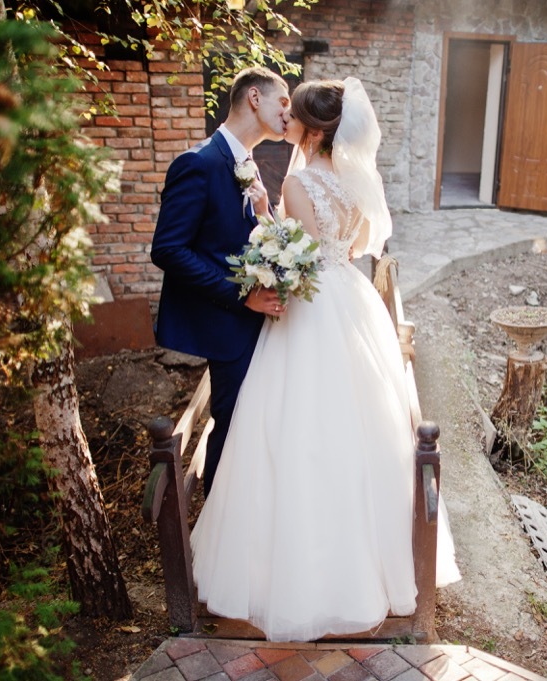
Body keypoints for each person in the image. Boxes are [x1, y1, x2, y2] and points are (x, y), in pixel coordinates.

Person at [189, 78, 460, 642]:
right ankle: (373, 573)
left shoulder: (297, 182)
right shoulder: (358, 183)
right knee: (362, 428)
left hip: (312, 309)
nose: (284, 119)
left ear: (311, 131)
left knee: (295, 430)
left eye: (293, 115)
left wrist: (268, 222)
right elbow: (358, 247)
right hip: (353, 303)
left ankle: (293, 579)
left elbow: (302, 259)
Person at [150, 66, 291, 497]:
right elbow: (169, 250)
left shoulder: (247, 163)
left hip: (255, 325)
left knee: (250, 427)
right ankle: (214, 531)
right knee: (230, 430)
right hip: (226, 326)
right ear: (254, 97)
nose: (288, 114)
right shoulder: (198, 163)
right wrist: (241, 296)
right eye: (282, 102)